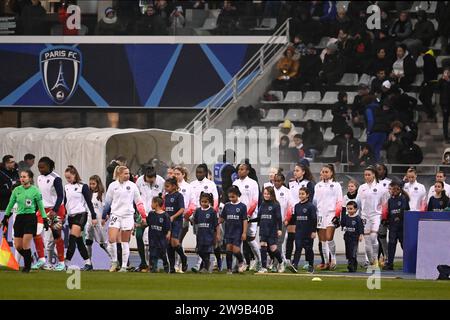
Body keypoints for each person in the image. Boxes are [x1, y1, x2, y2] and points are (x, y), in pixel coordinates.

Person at [1, 169, 48, 273]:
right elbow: (10, 204)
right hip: (19, 218)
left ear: (30, 178)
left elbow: (40, 206)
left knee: (26, 244)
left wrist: (44, 219)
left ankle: (27, 267)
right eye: (21, 177)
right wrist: (6, 217)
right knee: (18, 246)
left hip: (30, 218)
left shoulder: (35, 190)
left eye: (24, 177)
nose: (22, 179)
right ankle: (29, 258)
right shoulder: (16, 190)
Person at [103, 166, 147, 272]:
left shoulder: (132, 186)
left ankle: (123, 266)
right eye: (126, 173)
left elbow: (138, 201)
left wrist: (143, 215)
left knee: (124, 242)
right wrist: (104, 216)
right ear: (119, 174)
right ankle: (114, 261)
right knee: (111, 239)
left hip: (127, 216)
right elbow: (108, 202)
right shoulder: (112, 186)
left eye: (128, 173)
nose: (128, 175)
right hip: (115, 215)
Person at [33, 157, 65, 271]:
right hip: (43, 210)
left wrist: (54, 210)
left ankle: (61, 262)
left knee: (56, 235)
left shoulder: (56, 178)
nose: (40, 169)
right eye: (39, 167)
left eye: (43, 167)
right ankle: (41, 259)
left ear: (49, 166)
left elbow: (61, 196)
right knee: (36, 232)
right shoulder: (39, 178)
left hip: (56, 209)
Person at [63, 166, 97, 271]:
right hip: (71, 216)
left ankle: (66, 262)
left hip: (81, 215)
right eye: (66, 178)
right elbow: (65, 202)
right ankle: (88, 263)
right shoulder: (66, 187)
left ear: (74, 175)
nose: (68, 179)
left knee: (72, 238)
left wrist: (94, 216)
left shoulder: (83, 186)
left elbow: (89, 202)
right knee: (78, 241)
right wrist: (64, 214)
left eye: (69, 177)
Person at [190, 164, 219, 272]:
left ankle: (201, 265)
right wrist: (191, 215)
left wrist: (212, 213)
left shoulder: (211, 184)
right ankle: (203, 264)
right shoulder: (192, 184)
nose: (198, 174)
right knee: (199, 241)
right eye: (197, 172)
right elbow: (191, 200)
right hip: (197, 215)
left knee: (208, 242)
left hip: (208, 216)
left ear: (205, 173)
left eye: (201, 172)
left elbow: (215, 200)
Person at [135, 166, 165, 272]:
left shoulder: (161, 181)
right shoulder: (139, 181)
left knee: (154, 239)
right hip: (142, 214)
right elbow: (136, 198)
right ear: (145, 177)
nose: (151, 181)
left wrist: (161, 212)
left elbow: (163, 198)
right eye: (149, 179)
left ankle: (153, 264)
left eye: (153, 179)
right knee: (139, 236)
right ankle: (143, 262)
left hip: (155, 214)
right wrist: (138, 213)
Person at [356, 166, 387, 268]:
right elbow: (358, 203)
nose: (367, 177)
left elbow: (384, 203)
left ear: (374, 175)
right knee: (367, 241)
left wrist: (384, 216)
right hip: (365, 216)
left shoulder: (381, 188)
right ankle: (372, 261)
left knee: (374, 237)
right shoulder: (362, 187)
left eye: (369, 174)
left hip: (376, 216)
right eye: (365, 175)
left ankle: (375, 259)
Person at [313, 164, 343, 270]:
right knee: (322, 241)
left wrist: (337, 215)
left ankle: (333, 259)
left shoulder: (336, 185)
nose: (324, 174)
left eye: (327, 172)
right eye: (323, 172)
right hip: (320, 215)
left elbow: (339, 201)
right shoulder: (318, 185)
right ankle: (326, 262)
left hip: (331, 214)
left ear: (331, 173)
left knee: (329, 238)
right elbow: (315, 202)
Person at [248, 187, 283, 274]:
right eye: (265, 194)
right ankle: (264, 267)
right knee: (263, 246)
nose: (266, 195)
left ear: (272, 194)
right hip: (263, 229)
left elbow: (279, 218)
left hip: (272, 230)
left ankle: (281, 262)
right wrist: (250, 220)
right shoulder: (262, 204)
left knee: (273, 248)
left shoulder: (276, 205)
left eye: (268, 194)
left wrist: (280, 229)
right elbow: (259, 218)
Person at [233, 163, 261, 271]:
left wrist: (248, 215)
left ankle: (260, 260)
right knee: (238, 240)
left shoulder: (253, 183)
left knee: (250, 240)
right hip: (238, 215)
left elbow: (255, 201)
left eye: (242, 169)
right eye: (239, 169)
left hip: (250, 215)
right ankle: (239, 263)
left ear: (248, 171)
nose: (240, 171)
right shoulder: (235, 183)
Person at [286, 163, 315, 264]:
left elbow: (310, 200)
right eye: (294, 170)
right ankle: (288, 260)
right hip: (293, 213)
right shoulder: (290, 184)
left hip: (304, 214)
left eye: (297, 170)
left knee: (306, 240)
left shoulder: (308, 183)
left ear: (303, 172)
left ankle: (308, 262)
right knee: (290, 237)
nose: (295, 172)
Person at [219, 186, 248, 274]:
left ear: (237, 195)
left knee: (235, 249)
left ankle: (242, 261)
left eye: (233, 197)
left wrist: (244, 232)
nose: (231, 198)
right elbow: (222, 218)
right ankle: (229, 269)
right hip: (228, 231)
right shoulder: (227, 206)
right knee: (228, 249)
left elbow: (244, 220)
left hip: (237, 232)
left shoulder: (242, 206)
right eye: (229, 197)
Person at [287, 187, 317, 273]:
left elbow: (314, 219)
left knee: (308, 249)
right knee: (298, 248)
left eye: (303, 194)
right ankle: (295, 265)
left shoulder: (311, 206)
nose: (301, 195)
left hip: (308, 232)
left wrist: (313, 231)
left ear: (307, 195)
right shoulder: (297, 206)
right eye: (300, 194)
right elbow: (295, 218)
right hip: (299, 232)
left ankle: (311, 266)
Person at [382, 181, 410, 270]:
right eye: (390, 189)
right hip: (393, 226)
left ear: (398, 189)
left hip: (402, 226)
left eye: (393, 189)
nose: (391, 191)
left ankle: (409, 263)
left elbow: (404, 210)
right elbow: (389, 212)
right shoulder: (390, 200)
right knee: (391, 245)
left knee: (404, 245)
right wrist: (387, 220)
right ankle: (390, 264)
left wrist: (399, 217)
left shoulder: (403, 198)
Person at [162, 176, 188, 273]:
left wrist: (173, 217)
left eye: (167, 186)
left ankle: (183, 258)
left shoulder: (179, 196)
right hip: (167, 223)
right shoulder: (166, 197)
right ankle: (172, 267)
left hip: (177, 222)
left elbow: (182, 209)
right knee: (169, 244)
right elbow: (164, 209)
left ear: (173, 186)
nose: (166, 188)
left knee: (174, 242)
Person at [173, 166, 194, 272]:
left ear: (183, 175)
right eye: (174, 174)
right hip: (172, 217)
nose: (175, 176)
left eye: (178, 174)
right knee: (174, 242)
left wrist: (188, 214)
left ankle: (179, 264)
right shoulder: (171, 186)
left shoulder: (188, 187)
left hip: (183, 217)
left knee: (179, 241)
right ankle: (175, 264)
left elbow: (192, 202)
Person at [192, 192, 219, 273]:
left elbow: (216, 224)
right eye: (202, 202)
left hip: (209, 235)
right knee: (199, 251)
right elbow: (195, 222)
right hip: (200, 235)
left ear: (209, 202)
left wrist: (217, 235)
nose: (203, 203)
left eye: (205, 202)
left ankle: (206, 267)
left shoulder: (212, 211)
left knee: (207, 252)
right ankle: (206, 264)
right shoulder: (198, 211)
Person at [272, 173, 292, 270]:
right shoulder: (270, 190)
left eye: (278, 181)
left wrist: (287, 219)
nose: (276, 183)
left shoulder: (287, 191)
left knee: (279, 242)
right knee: (270, 243)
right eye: (275, 180)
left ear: (283, 181)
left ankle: (277, 264)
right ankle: (276, 261)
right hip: (271, 222)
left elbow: (290, 206)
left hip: (282, 221)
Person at [86, 175, 109, 260]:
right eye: (90, 184)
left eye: (93, 184)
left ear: (98, 184)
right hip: (89, 220)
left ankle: (115, 260)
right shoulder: (88, 194)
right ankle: (89, 263)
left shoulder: (101, 194)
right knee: (88, 241)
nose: (91, 185)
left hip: (98, 221)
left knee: (103, 243)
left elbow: (106, 206)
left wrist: (106, 215)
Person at [146, 195, 171, 273]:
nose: (151, 205)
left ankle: (166, 265)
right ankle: (153, 267)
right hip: (152, 238)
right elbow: (148, 223)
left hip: (161, 239)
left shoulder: (165, 215)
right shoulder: (151, 214)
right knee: (153, 253)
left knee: (162, 253)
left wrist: (168, 233)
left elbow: (168, 226)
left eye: (152, 203)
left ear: (156, 203)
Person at [340, 201, 364, 272]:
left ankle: (352, 265)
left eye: (351, 208)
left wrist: (360, 235)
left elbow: (360, 228)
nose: (349, 210)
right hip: (347, 237)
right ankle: (350, 262)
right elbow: (342, 224)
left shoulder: (358, 218)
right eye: (348, 209)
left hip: (354, 238)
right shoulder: (346, 217)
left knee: (353, 252)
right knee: (348, 251)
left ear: (355, 209)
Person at [419, 48, 438, 120]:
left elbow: (429, 70)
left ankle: (432, 113)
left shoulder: (427, 57)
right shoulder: (430, 57)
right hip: (432, 81)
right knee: (425, 97)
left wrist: (426, 81)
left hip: (429, 81)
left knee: (424, 97)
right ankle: (431, 113)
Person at [438, 68, 450, 143]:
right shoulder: (441, 81)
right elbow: (437, 88)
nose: (446, 74)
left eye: (447, 72)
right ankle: (446, 137)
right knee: (445, 120)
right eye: (445, 73)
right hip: (445, 103)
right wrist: (442, 79)